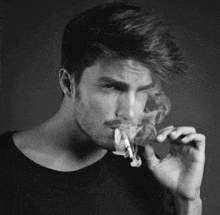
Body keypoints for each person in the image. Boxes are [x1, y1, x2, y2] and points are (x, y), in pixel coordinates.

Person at [1, 2, 206, 215]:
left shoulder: (150, 173)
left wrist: (187, 201)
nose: (130, 112)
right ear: (68, 83)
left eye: (143, 90)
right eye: (112, 87)